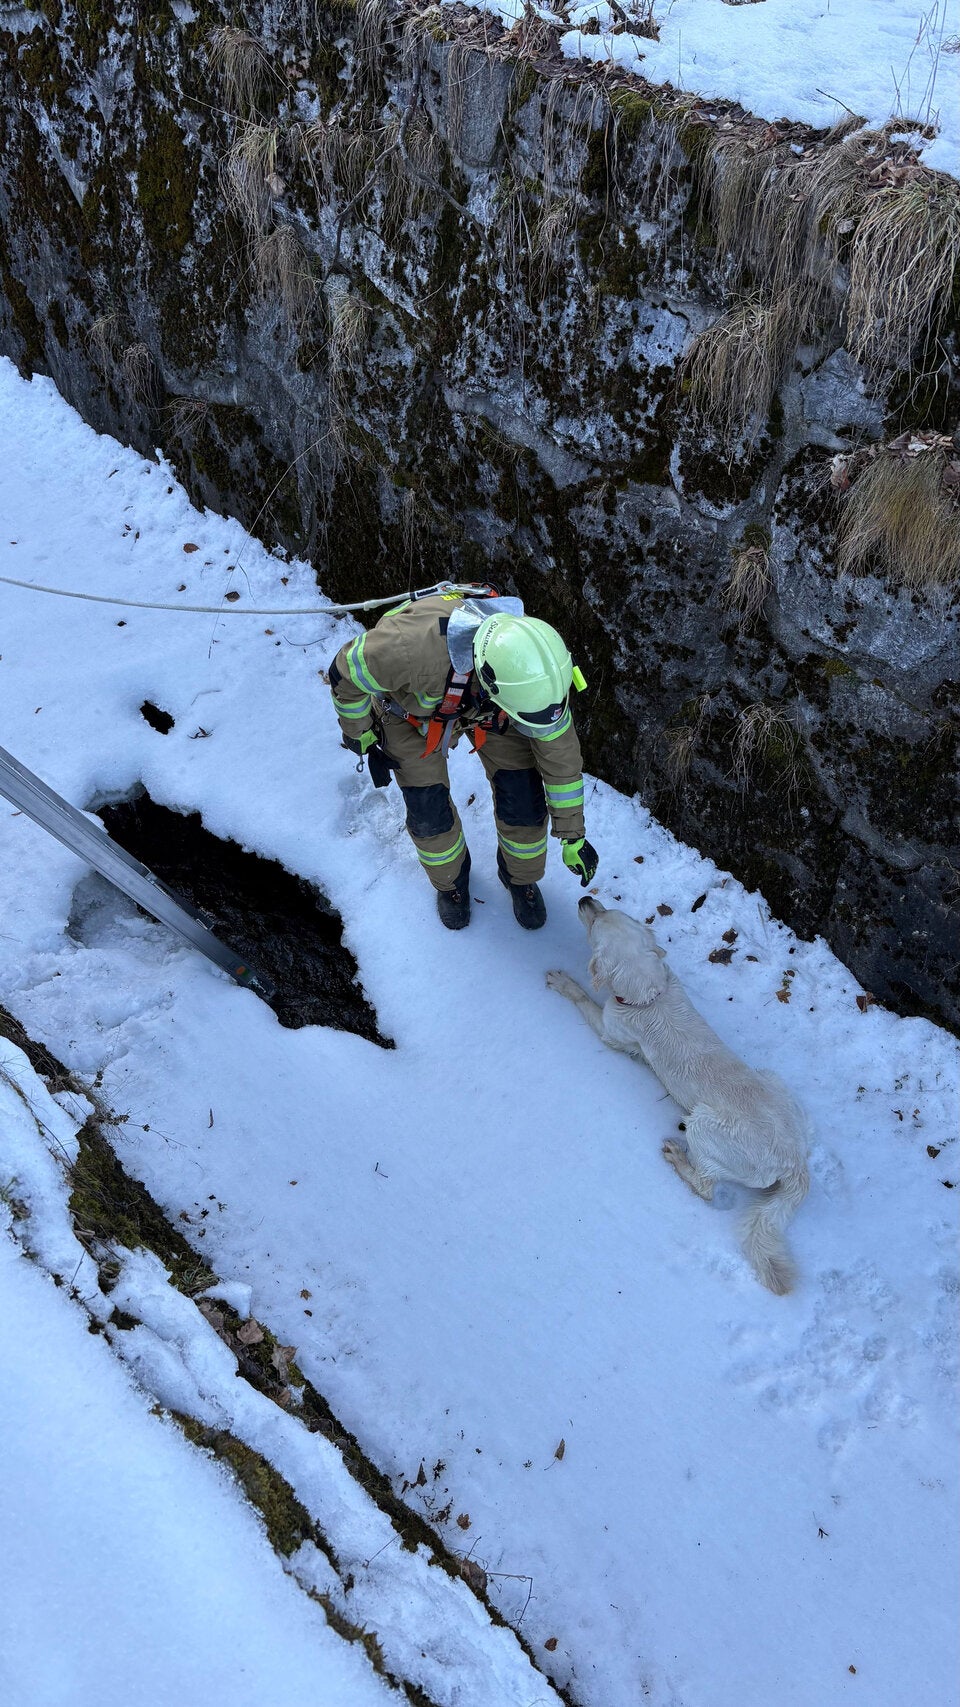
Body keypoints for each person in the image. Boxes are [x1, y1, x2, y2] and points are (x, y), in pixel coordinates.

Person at [328, 586, 599, 930]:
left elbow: (560, 760)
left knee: (524, 801)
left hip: (492, 712)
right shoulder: (408, 650)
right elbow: (345, 672)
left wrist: (573, 834)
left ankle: (520, 878)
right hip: (410, 715)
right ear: (490, 684)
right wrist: (359, 730)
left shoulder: (537, 675)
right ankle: (451, 885)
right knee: (429, 812)